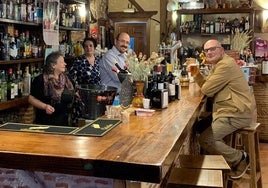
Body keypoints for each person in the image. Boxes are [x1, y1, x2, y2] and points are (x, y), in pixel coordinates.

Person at [189, 39, 256, 180]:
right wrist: (195, 72)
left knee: (205, 140)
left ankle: (240, 158)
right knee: (199, 126)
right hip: (226, 110)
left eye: (213, 49)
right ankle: (210, 163)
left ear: (221, 50)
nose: (209, 52)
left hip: (236, 112)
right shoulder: (219, 65)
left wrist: (196, 73)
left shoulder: (225, 65)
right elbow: (208, 87)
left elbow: (207, 89)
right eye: (206, 50)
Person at [29, 51, 74, 126]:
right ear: (53, 65)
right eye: (62, 62)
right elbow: (31, 99)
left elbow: (73, 94)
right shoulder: (40, 80)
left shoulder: (67, 79)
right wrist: (45, 106)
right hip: (45, 121)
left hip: (64, 122)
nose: (65, 64)